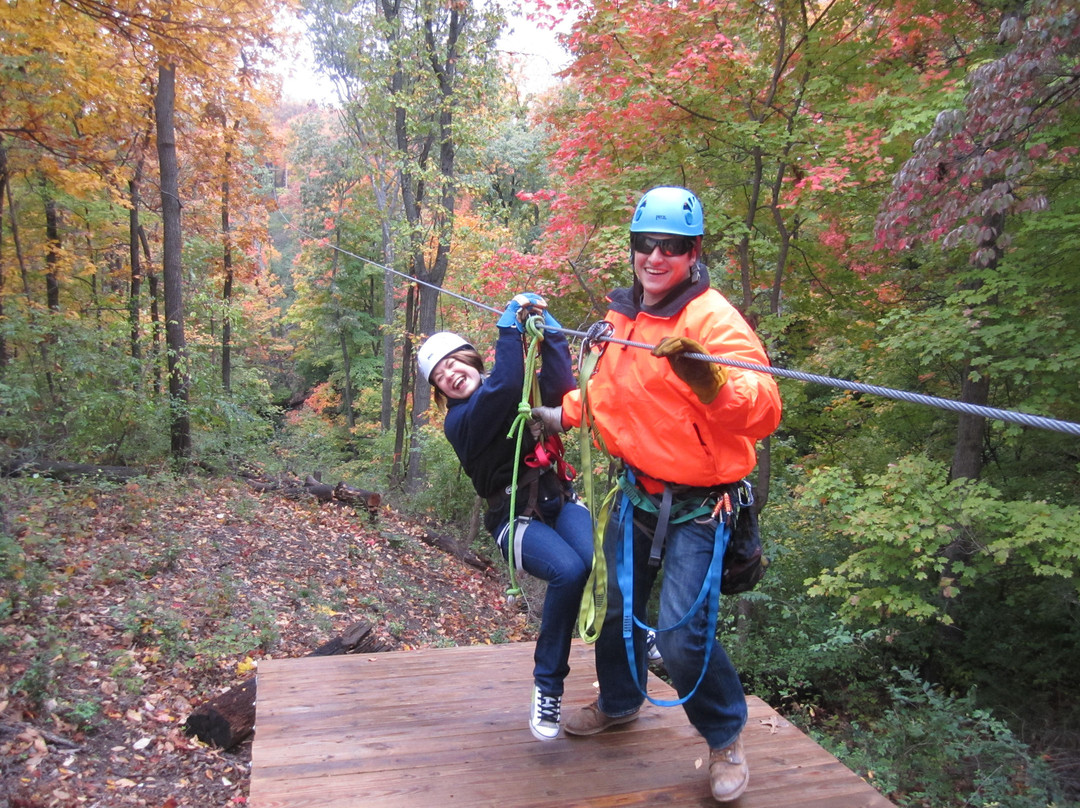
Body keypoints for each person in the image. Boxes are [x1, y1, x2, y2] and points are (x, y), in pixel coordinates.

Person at [531, 186, 782, 801]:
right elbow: (608, 395)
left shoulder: (713, 320)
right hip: (638, 492)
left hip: (702, 504)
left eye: (672, 246)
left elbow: (765, 410)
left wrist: (710, 382)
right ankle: (620, 703)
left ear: (694, 253)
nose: (656, 257)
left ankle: (725, 738)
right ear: (634, 249)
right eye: (647, 244)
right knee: (617, 610)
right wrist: (557, 415)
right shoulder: (624, 319)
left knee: (677, 634)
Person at [416, 295, 594, 742]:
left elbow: (558, 388)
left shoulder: (505, 389)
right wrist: (508, 328)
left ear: (471, 361)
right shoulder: (461, 420)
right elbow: (510, 382)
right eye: (441, 376)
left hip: (558, 499)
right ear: (440, 392)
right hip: (515, 520)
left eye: (454, 364)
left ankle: (630, 638)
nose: (451, 375)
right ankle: (548, 687)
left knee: (600, 561)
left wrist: (550, 333)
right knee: (569, 572)